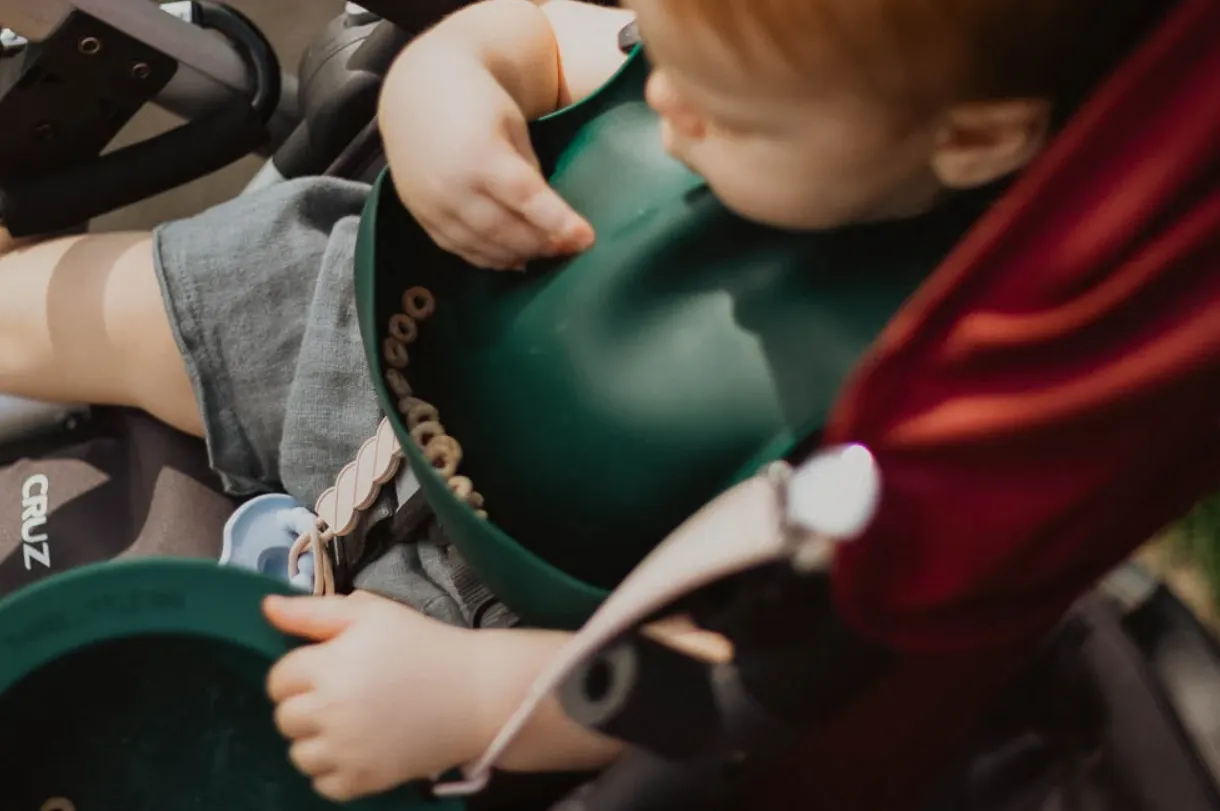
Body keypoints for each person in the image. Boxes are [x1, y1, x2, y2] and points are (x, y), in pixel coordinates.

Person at [0, 0, 1163, 801]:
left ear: (970, 139)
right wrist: (446, 83)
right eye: (661, 46)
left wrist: (468, 701)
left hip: (490, 607)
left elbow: (718, 673)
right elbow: (544, 37)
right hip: (355, 318)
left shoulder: (921, 406)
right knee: (75, 305)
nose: (668, 106)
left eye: (726, 112)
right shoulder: (732, 49)